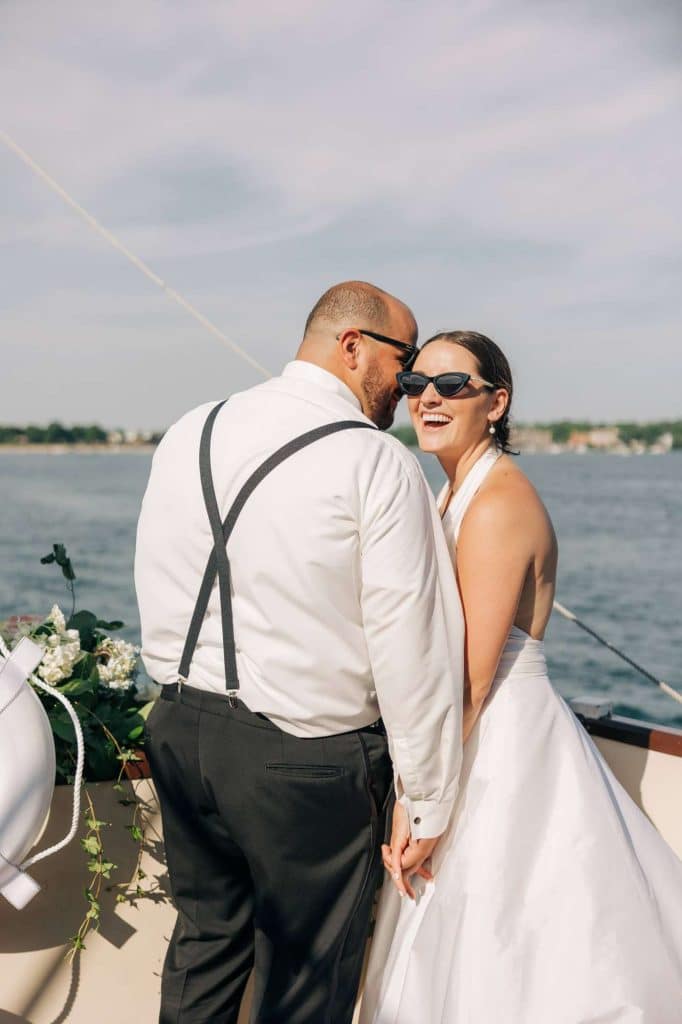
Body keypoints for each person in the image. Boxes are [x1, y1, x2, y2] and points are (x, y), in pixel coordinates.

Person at [134, 283, 465, 1024]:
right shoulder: (375, 461)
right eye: (406, 360)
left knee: (203, 944)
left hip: (182, 731)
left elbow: (156, 569)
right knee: (306, 981)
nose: (411, 382)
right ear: (353, 346)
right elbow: (410, 644)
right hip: (304, 760)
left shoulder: (191, 428)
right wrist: (429, 798)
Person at [361, 331, 682, 1023]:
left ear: (497, 402)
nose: (429, 399)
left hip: (498, 740)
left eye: (453, 386)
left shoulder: (498, 505)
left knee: (503, 942)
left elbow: (471, 681)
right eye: (417, 384)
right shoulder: (454, 491)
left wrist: (423, 803)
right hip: (471, 731)